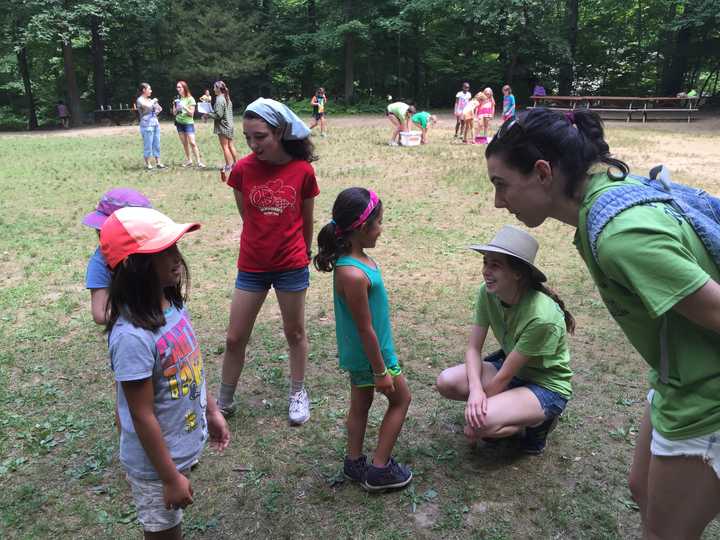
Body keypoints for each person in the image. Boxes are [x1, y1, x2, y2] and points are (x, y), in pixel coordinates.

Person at [485, 108, 720, 538]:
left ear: (542, 172)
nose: (499, 201)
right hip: (677, 378)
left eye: (501, 185)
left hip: (707, 399)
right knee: (641, 490)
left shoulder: (621, 234)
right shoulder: (610, 193)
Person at [100, 206, 230, 539]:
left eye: (174, 246)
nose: (176, 257)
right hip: (155, 467)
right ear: (134, 265)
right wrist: (170, 478)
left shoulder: (171, 307)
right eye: (163, 251)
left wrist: (211, 409)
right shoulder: (132, 337)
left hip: (174, 452)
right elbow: (140, 415)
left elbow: (192, 367)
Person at [217, 98, 319, 426]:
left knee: (295, 332)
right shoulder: (242, 171)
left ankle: (298, 393)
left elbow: (306, 220)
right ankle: (224, 401)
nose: (252, 144)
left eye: (259, 136)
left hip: (291, 265)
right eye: (247, 137)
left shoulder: (302, 171)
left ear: (278, 131)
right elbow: (248, 217)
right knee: (234, 337)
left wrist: (303, 254)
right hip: (252, 266)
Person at [436, 225, 573, 454]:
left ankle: (539, 422)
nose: (486, 271)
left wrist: (475, 421)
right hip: (511, 371)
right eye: (485, 263)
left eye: (496, 265)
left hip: (545, 385)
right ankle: (505, 413)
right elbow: (472, 349)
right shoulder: (487, 293)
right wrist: (477, 391)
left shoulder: (542, 317)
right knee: (446, 382)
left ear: (518, 273)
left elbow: (504, 377)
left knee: (479, 425)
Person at [314, 187, 413, 491]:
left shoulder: (354, 261)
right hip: (375, 356)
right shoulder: (352, 274)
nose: (381, 230)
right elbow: (364, 328)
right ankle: (379, 469)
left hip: (363, 356)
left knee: (361, 404)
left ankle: (354, 462)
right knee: (401, 400)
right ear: (360, 228)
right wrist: (381, 370)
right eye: (378, 223)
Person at [83, 188, 154, 325]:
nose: (99, 234)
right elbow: (100, 313)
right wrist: (139, 314)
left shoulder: (153, 250)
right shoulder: (100, 263)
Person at [205, 81, 237, 179]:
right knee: (231, 145)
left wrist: (208, 114)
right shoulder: (226, 97)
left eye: (214, 88)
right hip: (230, 125)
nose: (213, 89)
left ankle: (228, 166)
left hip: (223, 126)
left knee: (225, 147)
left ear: (219, 89)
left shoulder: (219, 99)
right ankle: (236, 164)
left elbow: (218, 115)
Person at [172, 81, 205, 168]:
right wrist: (176, 108)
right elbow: (174, 113)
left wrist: (184, 106)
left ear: (184, 88)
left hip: (188, 123)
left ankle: (199, 162)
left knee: (192, 142)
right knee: (185, 143)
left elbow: (191, 114)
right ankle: (189, 160)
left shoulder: (190, 99)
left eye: (180, 87)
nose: (178, 89)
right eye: (177, 87)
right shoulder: (177, 99)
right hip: (179, 123)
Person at [136, 83, 166, 170]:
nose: (151, 91)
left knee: (157, 144)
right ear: (144, 90)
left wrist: (155, 111)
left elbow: (159, 109)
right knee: (148, 145)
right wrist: (153, 101)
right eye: (149, 89)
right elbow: (148, 106)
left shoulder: (149, 100)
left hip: (155, 123)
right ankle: (148, 164)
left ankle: (158, 162)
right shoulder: (140, 100)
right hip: (146, 125)